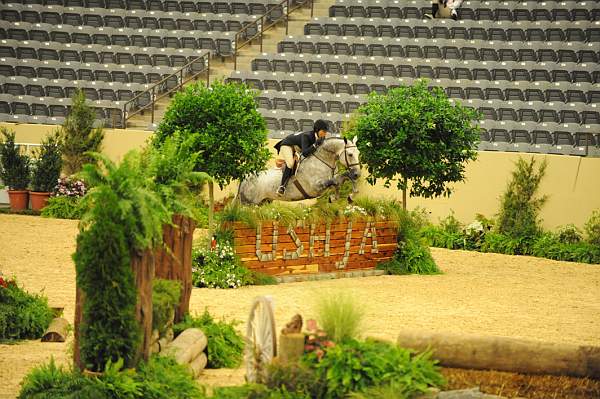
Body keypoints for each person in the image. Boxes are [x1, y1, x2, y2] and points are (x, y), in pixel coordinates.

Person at [273, 120, 329, 195]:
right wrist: (315, 144)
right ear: (317, 130)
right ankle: (282, 187)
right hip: (287, 145)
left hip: (297, 148)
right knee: (290, 164)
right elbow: (305, 153)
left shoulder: (320, 138)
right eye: (324, 131)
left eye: (326, 132)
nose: (325, 134)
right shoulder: (307, 136)